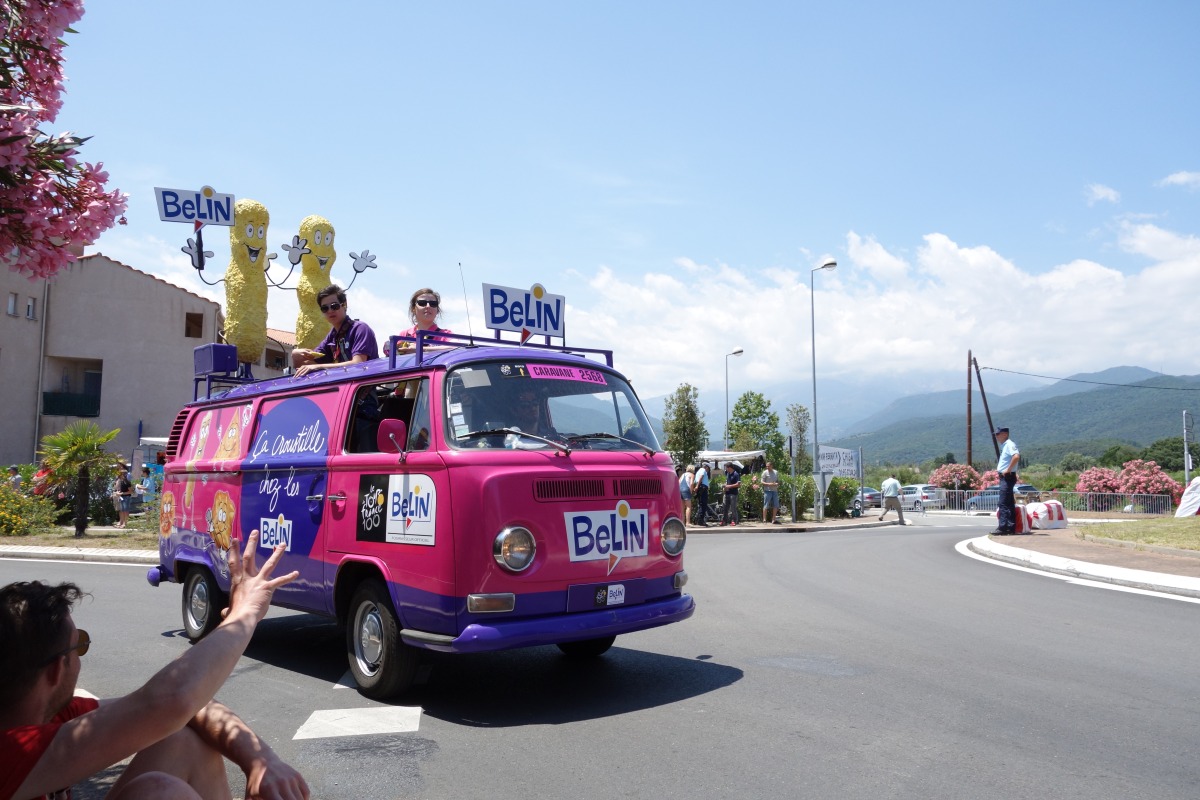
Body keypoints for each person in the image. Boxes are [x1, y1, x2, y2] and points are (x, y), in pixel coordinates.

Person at [0, 531, 309, 800]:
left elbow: (190, 708)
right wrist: (246, 614)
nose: (82, 653)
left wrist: (260, 760)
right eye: (79, 643)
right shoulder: (10, 751)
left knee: (181, 739)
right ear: (56, 670)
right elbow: (169, 702)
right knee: (161, 793)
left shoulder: (55, 715)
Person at [290, 284, 380, 377]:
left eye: (334, 306)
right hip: (342, 389)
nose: (330, 311)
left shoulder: (360, 329)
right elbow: (308, 365)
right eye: (325, 308)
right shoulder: (332, 336)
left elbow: (358, 364)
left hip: (362, 389)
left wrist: (318, 367)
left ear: (344, 304)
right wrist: (296, 355)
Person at [384, 288, 454, 355]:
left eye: (433, 304)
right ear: (413, 309)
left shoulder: (445, 334)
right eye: (422, 303)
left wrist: (420, 349)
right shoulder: (405, 334)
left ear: (437, 310)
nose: (428, 306)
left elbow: (457, 347)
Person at [992, 426, 1021, 535]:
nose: (996, 436)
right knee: (1008, 503)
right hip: (1006, 476)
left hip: (1007, 476)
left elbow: (1016, 456)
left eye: (998, 434)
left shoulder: (1009, 444)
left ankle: (1003, 527)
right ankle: (1010, 527)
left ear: (1005, 434)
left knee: (1003, 502)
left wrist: (1008, 470)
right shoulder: (1005, 446)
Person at [721, 462, 741, 526]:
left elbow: (738, 484)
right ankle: (724, 521)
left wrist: (729, 486)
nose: (725, 469)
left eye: (726, 467)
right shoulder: (728, 473)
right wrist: (725, 486)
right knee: (725, 507)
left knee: (733, 508)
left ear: (729, 467)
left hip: (733, 494)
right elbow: (727, 482)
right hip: (727, 493)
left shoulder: (736, 474)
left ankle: (734, 520)